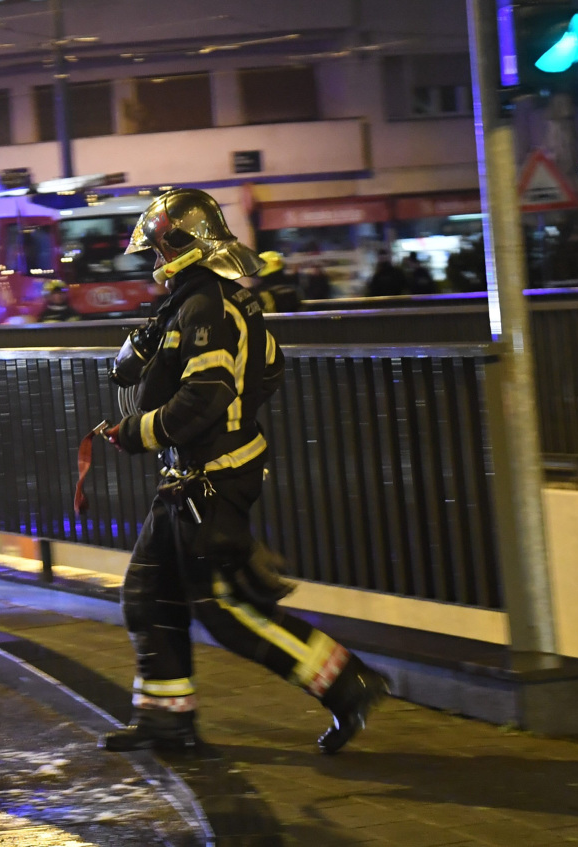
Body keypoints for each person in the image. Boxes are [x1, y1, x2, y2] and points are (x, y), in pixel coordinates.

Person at [98, 189, 387, 755]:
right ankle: (167, 720)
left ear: (180, 245)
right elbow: (268, 370)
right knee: (149, 593)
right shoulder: (214, 299)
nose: (154, 261)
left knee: (226, 609)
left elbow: (204, 398)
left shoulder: (204, 306)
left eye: (157, 249)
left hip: (210, 478)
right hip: (197, 475)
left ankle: (349, 684)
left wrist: (137, 432)